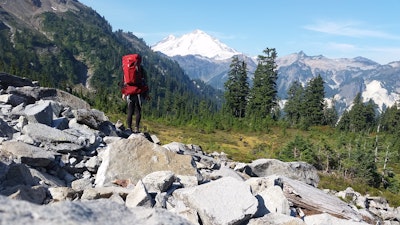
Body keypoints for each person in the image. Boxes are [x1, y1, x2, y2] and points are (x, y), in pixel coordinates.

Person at [121, 61, 149, 133]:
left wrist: (124, 93)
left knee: (130, 111)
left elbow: (124, 81)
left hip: (129, 92)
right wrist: (146, 94)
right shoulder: (141, 69)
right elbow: (145, 81)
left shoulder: (127, 69)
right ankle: (136, 128)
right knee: (138, 111)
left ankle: (129, 128)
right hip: (138, 92)